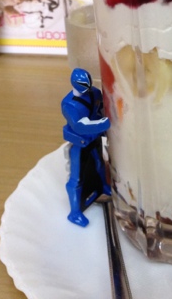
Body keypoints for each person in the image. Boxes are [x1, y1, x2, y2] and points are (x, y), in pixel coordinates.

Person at [61, 68, 111, 226]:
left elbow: (101, 109)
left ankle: (103, 187)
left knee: (99, 164)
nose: (87, 86)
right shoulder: (69, 104)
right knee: (76, 177)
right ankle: (75, 212)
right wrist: (103, 124)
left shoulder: (95, 93)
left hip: (95, 138)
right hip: (80, 143)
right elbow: (79, 126)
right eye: (83, 84)